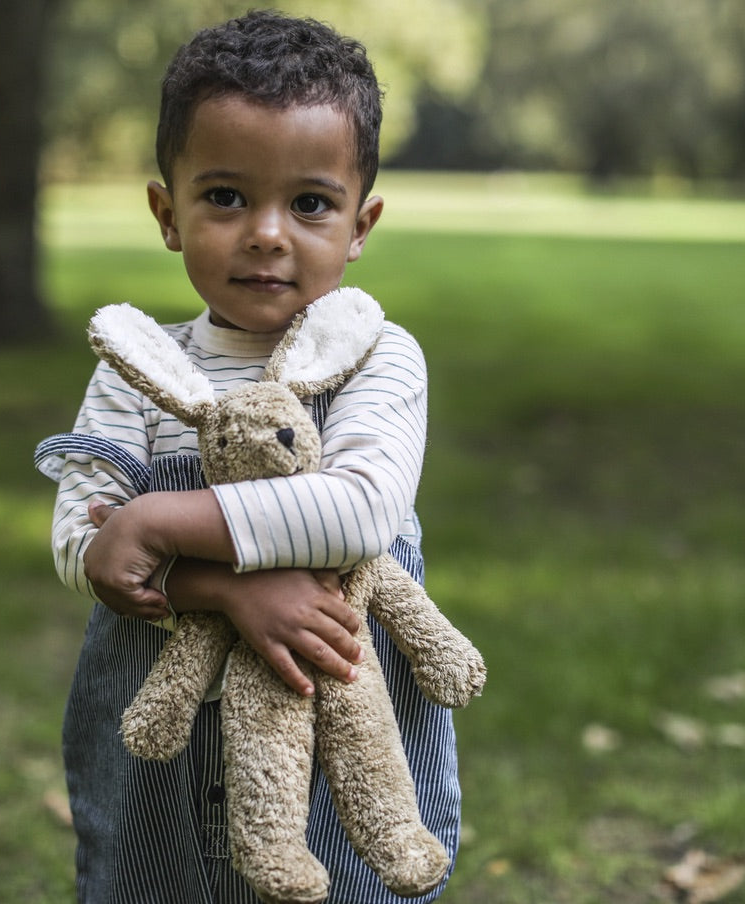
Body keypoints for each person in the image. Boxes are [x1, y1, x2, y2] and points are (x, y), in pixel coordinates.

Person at [35, 11, 461, 903]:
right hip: (164, 739)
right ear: (167, 211)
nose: (267, 233)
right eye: (226, 197)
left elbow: (357, 511)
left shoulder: (378, 357)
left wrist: (157, 520)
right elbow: (88, 545)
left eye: (309, 203)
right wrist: (225, 588)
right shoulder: (138, 370)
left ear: (360, 224)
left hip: (339, 725)